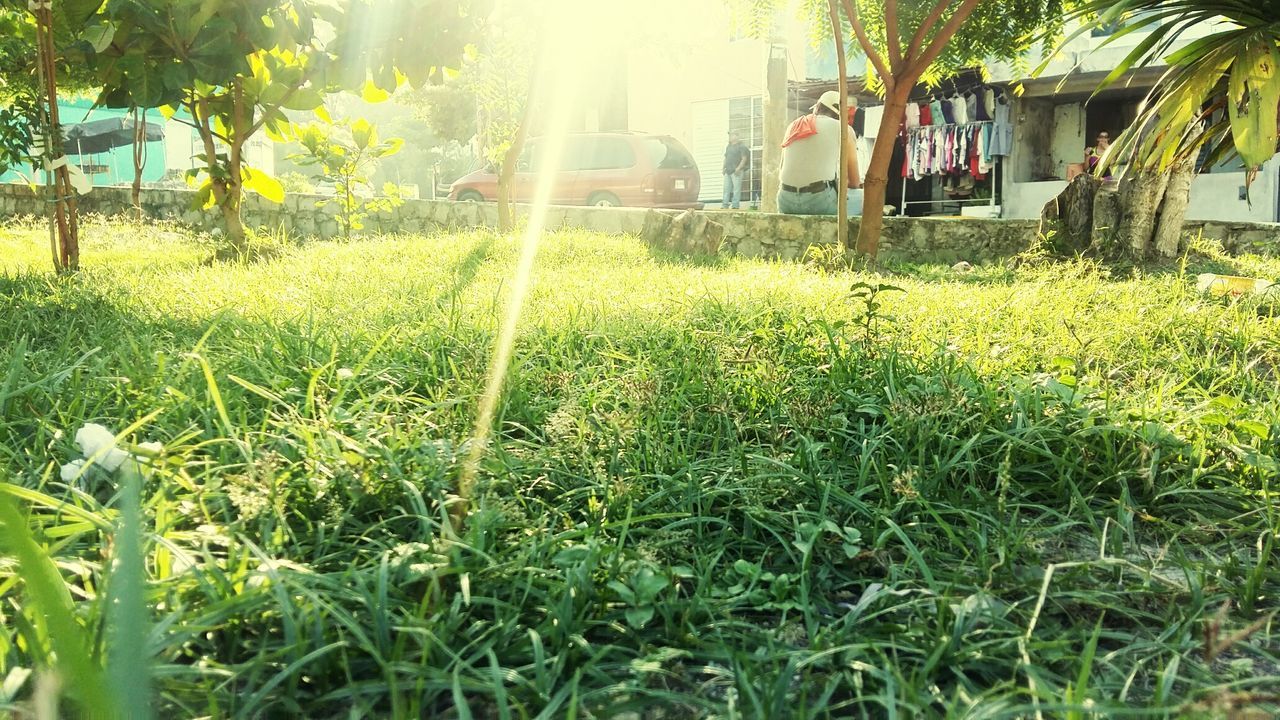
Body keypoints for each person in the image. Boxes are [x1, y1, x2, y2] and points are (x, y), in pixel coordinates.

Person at [777, 90, 861, 216]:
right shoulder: (843, 129)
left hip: (785, 200)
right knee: (863, 197)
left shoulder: (794, 125)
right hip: (819, 202)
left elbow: (781, 168)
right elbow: (854, 182)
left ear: (817, 107)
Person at [722, 130, 750, 209]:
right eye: (730, 135)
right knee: (726, 188)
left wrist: (738, 168)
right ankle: (725, 205)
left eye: (732, 135)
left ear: (737, 136)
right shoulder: (728, 146)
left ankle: (735, 205)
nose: (730, 137)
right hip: (728, 170)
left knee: (736, 189)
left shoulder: (742, 147)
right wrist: (723, 167)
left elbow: (744, 159)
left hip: (736, 171)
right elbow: (726, 157)